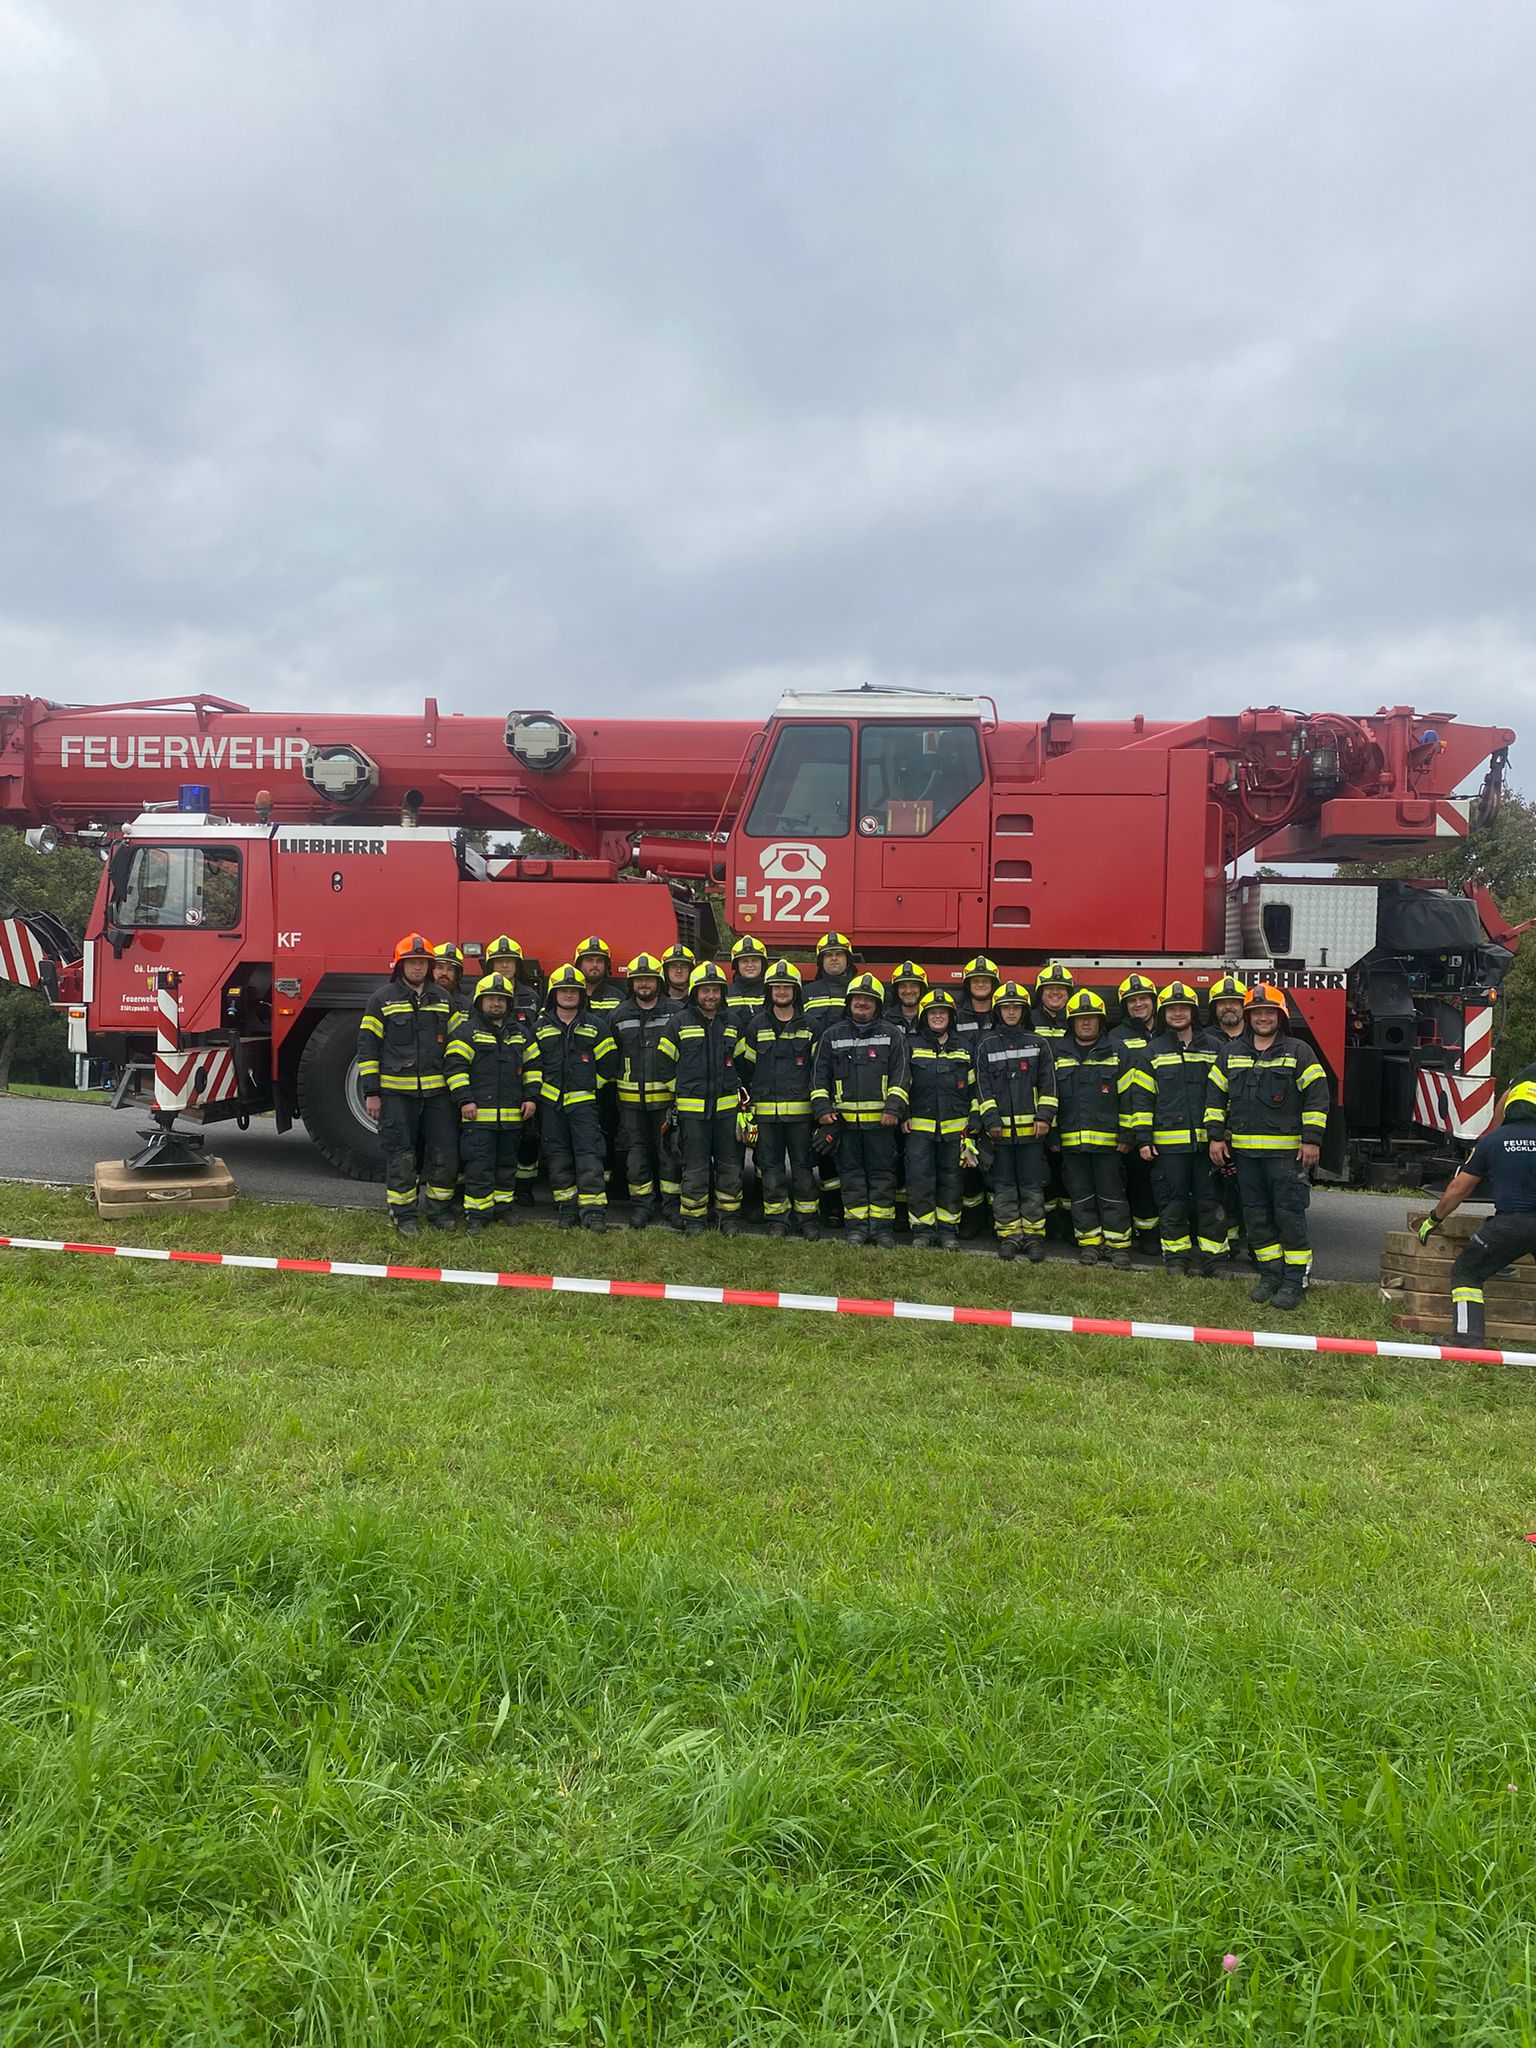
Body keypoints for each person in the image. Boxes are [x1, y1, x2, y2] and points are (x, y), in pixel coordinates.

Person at [1206, 983, 1330, 1310]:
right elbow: (1215, 1096)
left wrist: (1312, 1139)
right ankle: (1270, 1275)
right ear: (1248, 1017)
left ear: (1280, 1016)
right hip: (1246, 1156)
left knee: (1289, 1217)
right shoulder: (1230, 1053)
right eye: (1256, 1012)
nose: (1262, 1018)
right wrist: (1216, 1136)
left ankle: (1294, 1281)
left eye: (1268, 1012)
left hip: (1286, 1156)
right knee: (1256, 1217)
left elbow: (1317, 1096)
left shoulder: (1298, 1051)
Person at [1418, 1079, 1536, 1347]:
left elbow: (1460, 1188)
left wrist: (1434, 1218)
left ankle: (1466, 1340)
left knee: (1467, 1272)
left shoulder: (1493, 1141)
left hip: (1509, 1227)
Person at [356, 932, 459, 1237]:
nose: (417, 968)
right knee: (401, 1155)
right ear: (400, 965)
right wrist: (372, 1093)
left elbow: (457, 1045)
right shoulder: (381, 1000)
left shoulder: (443, 999)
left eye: (423, 962)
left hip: (438, 1093)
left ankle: (438, 1210)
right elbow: (368, 1048)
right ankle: (404, 1214)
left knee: (444, 1152)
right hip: (395, 1094)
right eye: (411, 962)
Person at [1125, 981, 1226, 1277]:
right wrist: (1143, 1138)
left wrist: (1221, 1134)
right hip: (1168, 1147)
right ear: (1164, 1013)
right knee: (1172, 1202)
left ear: (1193, 1012)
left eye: (1183, 1008)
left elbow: (1224, 1093)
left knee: (1210, 1201)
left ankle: (1214, 1259)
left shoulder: (1215, 1048)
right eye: (1172, 1009)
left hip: (1207, 1145)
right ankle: (1176, 1257)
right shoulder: (1152, 1051)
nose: (1178, 1013)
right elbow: (1141, 1099)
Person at [811, 971, 909, 1248]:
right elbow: (819, 1076)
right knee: (851, 1176)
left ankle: (881, 1229)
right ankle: (856, 1227)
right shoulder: (832, 1035)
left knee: (882, 1176)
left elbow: (901, 1075)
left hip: (881, 1124)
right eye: (857, 999)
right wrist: (822, 1108)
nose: (862, 1003)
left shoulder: (892, 1035)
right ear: (849, 1002)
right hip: (845, 1123)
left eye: (868, 1000)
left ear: (878, 1004)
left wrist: (893, 1108)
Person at [445, 972, 541, 1232]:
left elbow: (533, 1066)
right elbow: (455, 1069)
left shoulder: (520, 1034)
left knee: (506, 1166)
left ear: (509, 1003)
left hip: (512, 1118)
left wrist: (531, 1097)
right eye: (491, 999)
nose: (496, 1004)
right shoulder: (467, 1032)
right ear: (479, 1001)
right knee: (479, 1166)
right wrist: (465, 1100)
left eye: (501, 999)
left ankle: (503, 1208)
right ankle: (477, 1215)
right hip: (478, 1118)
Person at [657, 962, 746, 1235]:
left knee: (730, 1166)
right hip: (692, 1113)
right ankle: (694, 1220)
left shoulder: (733, 1023)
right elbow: (663, 1063)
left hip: (727, 1112)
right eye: (705, 990)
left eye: (716, 991)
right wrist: (682, 1091)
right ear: (695, 993)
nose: (711, 996)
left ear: (722, 993)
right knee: (694, 1168)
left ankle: (728, 1218)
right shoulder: (678, 1023)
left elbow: (744, 1064)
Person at [972, 979, 1056, 1261]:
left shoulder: (1038, 1044)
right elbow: (982, 1086)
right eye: (1006, 1008)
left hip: (1032, 1134)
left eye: (1016, 1008)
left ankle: (1033, 1238)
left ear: (1024, 1011)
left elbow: (1048, 1085)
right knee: (1004, 1185)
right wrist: (991, 1120)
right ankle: (1008, 1235)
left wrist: (1044, 1117)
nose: (1011, 1012)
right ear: (998, 1011)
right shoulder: (986, 1045)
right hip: (1001, 1134)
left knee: (1032, 1185)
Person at [736, 959, 820, 1238]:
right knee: (770, 1168)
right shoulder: (756, 1025)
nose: (782, 991)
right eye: (776, 987)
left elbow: (819, 1071)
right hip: (766, 1115)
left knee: (803, 1167)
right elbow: (746, 1068)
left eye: (787, 987)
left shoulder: (811, 1026)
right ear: (769, 991)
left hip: (801, 1115)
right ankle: (777, 1220)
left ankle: (807, 1219)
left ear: (796, 991)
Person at [1052, 988, 1135, 1267]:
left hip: (1109, 1142)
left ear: (1101, 1021)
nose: (1086, 1023)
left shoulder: (1117, 1051)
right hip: (1071, 1140)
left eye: (1091, 1018)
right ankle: (1089, 1243)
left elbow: (1130, 1097)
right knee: (1080, 1193)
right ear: (1071, 1022)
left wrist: (1127, 1134)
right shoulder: (1057, 1052)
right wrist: (1052, 1132)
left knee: (1112, 1193)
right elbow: (1048, 1096)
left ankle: (1118, 1245)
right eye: (1080, 1018)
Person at [536, 963, 619, 1229]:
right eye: (564, 990)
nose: (569, 994)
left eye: (574, 990)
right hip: (551, 1105)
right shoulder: (539, 1028)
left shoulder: (596, 1026)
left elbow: (609, 1063)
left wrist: (589, 1086)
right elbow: (529, 1065)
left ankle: (593, 1212)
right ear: (553, 995)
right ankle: (567, 1208)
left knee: (589, 1156)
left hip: (584, 1105)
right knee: (557, 1156)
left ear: (582, 995)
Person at [904, 988, 974, 1249]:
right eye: (932, 1012)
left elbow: (975, 1088)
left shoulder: (964, 1048)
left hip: (956, 1130)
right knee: (919, 1178)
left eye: (942, 1012)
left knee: (952, 1179)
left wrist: (974, 1120)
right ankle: (922, 1231)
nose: (937, 1016)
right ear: (924, 1016)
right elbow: (901, 1084)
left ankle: (947, 1230)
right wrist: (903, 1115)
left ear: (951, 1017)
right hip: (919, 1129)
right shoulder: (911, 1046)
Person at [611, 952, 678, 1229]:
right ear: (632, 983)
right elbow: (610, 1057)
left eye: (649, 979)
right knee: (635, 1156)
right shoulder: (618, 1015)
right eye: (639, 980)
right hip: (630, 1103)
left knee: (670, 1154)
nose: (644, 985)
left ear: (658, 982)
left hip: (665, 1100)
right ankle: (641, 1206)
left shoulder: (676, 1013)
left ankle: (672, 1207)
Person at [484, 933, 543, 1203]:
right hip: (494, 1075)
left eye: (509, 961)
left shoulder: (530, 995)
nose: (505, 966)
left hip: (523, 1071)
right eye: (499, 962)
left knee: (527, 1134)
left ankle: (523, 1189)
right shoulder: (482, 995)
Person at [1107, 972, 1161, 1252]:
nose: (1138, 1004)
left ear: (1153, 1001)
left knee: (1166, 1182)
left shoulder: (1168, 1032)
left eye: (1143, 999)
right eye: (1132, 1001)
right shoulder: (1116, 1038)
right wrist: (1128, 1131)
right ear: (1124, 1006)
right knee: (1140, 1183)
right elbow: (1120, 1091)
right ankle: (1148, 1235)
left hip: (1165, 1123)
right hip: (1133, 1126)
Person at [952, 955, 1001, 1235]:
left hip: (999, 1094)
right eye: (976, 980)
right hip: (965, 1095)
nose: (981, 984)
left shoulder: (1005, 1012)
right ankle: (972, 1219)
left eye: (986, 981)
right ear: (968, 984)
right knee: (969, 1163)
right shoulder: (957, 1015)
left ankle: (996, 1219)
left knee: (997, 1164)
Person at [1206, 972, 1251, 1258]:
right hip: (1220, 1132)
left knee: (1252, 1190)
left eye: (1234, 1002)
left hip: (1252, 1130)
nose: (1229, 1007)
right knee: (1221, 1191)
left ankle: (1256, 1240)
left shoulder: (1259, 1038)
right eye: (1222, 1003)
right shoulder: (1206, 1041)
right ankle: (1231, 1240)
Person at [1032, 963, 1075, 1236]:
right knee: (1042, 1171)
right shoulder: (1030, 1020)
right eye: (1050, 989)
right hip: (1039, 1111)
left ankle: (1068, 1224)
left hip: (1071, 1108)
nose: (1056, 993)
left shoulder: (1078, 1019)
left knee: (1069, 1174)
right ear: (1040, 993)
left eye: (1061, 989)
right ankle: (1049, 1224)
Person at [803, 932, 856, 1036]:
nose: (834, 958)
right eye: (828, 955)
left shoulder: (857, 989)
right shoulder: (807, 991)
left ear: (848, 959)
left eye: (839, 954)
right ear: (821, 961)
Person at [727, 934, 770, 1019]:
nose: (750, 965)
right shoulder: (726, 993)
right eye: (745, 961)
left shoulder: (771, 992)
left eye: (754, 960)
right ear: (737, 966)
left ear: (762, 964)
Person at [884, 960, 930, 1037]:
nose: (908, 991)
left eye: (914, 985)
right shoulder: (885, 1019)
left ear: (921, 989)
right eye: (903, 986)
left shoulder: (931, 1019)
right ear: (896, 991)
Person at [660, 942, 697, 1010]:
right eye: (673, 966)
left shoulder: (698, 1003)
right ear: (665, 972)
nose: (679, 971)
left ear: (691, 971)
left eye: (684, 966)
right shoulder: (657, 1003)